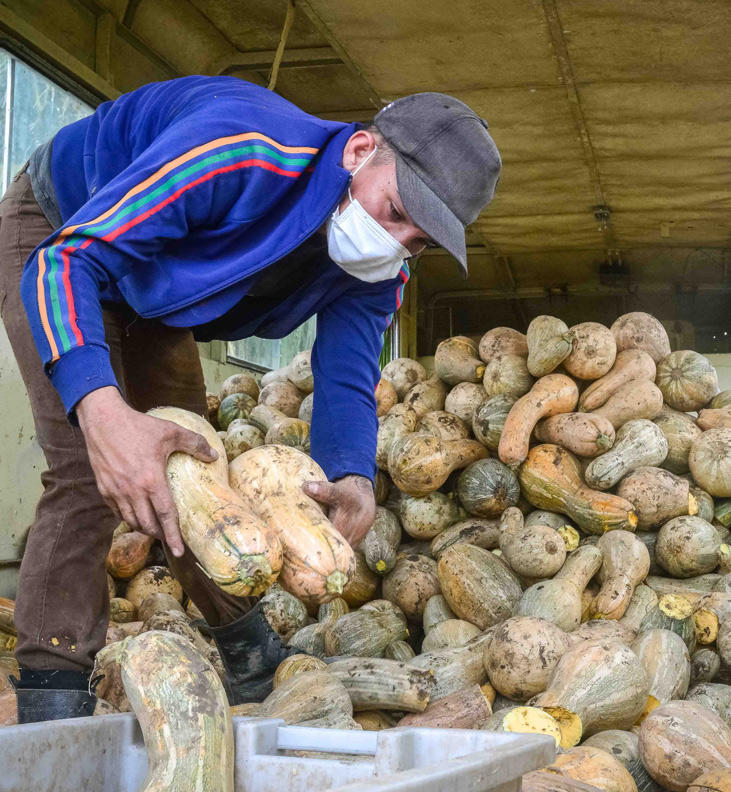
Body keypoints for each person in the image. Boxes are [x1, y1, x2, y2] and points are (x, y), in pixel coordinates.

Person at [0, 76, 501, 722]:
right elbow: (65, 263)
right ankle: (54, 692)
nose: (397, 241)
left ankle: (246, 649)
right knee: (91, 467)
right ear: (358, 152)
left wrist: (353, 476)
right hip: (62, 230)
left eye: (419, 240)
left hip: (149, 289)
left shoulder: (379, 267)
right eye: (396, 211)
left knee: (195, 465)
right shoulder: (241, 150)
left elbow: (348, 370)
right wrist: (102, 412)